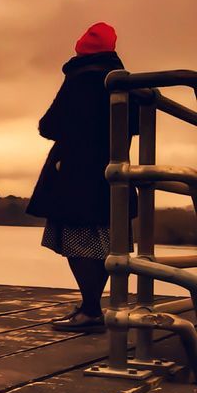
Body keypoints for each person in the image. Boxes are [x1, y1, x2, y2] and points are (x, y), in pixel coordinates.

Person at [27, 21, 136, 331]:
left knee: (76, 242)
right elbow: (135, 125)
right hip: (113, 173)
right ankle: (92, 307)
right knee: (104, 244)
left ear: (81, 48)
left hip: (75, 175)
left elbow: (49, 125)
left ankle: (90, 310)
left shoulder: (80, 77)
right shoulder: (123, 81)